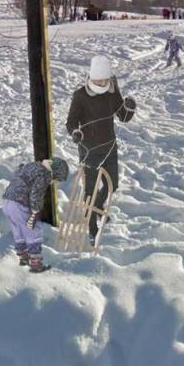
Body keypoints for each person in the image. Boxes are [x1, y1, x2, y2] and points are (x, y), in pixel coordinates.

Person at [65, 56, 137, 243]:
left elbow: (123, 116)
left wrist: (130, 108)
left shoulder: (112, 91)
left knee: (113, 184)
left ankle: (96, 207)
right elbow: (71, 122)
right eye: (98, 81)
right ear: (91, 78)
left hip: (110, 147)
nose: (101, 84)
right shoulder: (80, 95)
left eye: (104, 81)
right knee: (90, 189)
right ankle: (91, 227)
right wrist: (76, 133)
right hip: (89, 150)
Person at [1, 157, 69, 273]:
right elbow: (36, 193)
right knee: (33, 231)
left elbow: (19, 175)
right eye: (56, 179)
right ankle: (35, 264)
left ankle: (24, 257)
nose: (54, 182)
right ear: (54, 172)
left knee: (18, 230)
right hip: (20, 203)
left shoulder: (32, 166)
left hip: (8, 201)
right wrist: (35, 209)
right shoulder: (44, 174)